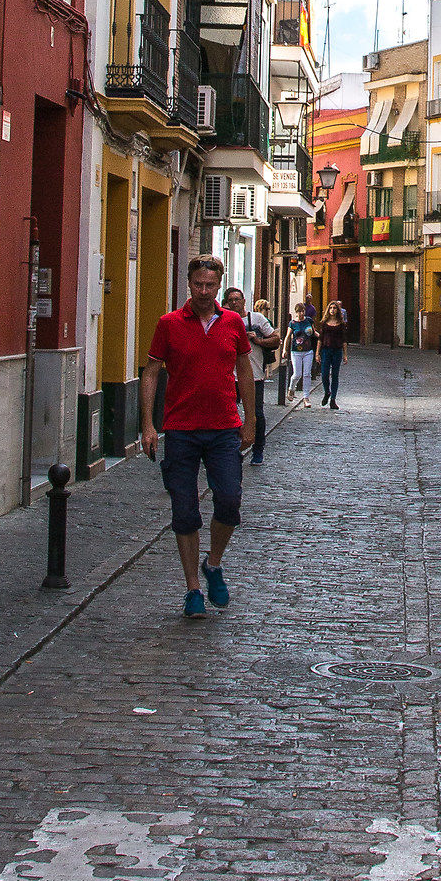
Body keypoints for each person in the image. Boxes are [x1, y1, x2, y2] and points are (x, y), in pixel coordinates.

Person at [142, 257, 257, 618]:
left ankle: (214, 563)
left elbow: (244, 370)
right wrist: (148, 424)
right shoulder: (169, 324)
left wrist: (250, 420)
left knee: (229, 500)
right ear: (189, 284)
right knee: (184, 511)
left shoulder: (233, 323)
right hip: (181, 430)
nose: (204, 292)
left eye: (210, 285)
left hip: (224, 427)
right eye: (198, 285)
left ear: (219, 284)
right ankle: (193, 587)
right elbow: (151, 373)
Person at [226, 289, 278, 467]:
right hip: (229, 376)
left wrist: (259, 341)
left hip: (254, 375)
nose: (234, 303)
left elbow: (276, 339)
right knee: (227, 414)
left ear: (244, 301)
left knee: (256, 414)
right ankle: (229, 450)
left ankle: (258, 450)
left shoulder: (257, 320)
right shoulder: (222, 321)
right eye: (231, 300)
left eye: (237, 299)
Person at [317, 298, 349, 408]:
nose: (332, 310)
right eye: (330, 308)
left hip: (337, 350)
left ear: (338, 310)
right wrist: (317, 353)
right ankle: (327, 392)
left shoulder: (341, 324)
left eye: (334, 308)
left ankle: (333, 400)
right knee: (325, 374)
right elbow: (320, 339)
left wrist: (345, 355)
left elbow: (344, 340)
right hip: (326, 350)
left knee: (335, 375)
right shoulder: (324, 323)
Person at [286, 301, 318, 406]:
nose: (301, 313)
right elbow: (288, 337)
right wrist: (284, 350)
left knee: (307, 374)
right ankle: (291, 388)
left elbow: (314, 332)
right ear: (296, 312)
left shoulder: (309, 321)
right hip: (296, 351)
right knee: (297, 374)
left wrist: (322, 337)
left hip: (308, 350)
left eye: (303, 311)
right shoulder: (292, 323)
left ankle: (306, 397)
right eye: (299, 311)